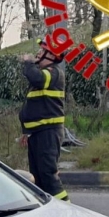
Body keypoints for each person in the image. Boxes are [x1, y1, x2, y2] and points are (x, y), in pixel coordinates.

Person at [19, 40, 69, 202]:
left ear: (52, 56)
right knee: (37, 177)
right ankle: (47, 209)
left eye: (42, 51)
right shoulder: (46, 73)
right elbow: (34, 108)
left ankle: (65, 209)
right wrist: (26, 131)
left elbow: (37, 78)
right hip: (37, 133)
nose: (38, 54)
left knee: (48, 175)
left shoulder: (53, 73)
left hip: (48, 133)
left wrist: (28, 63)